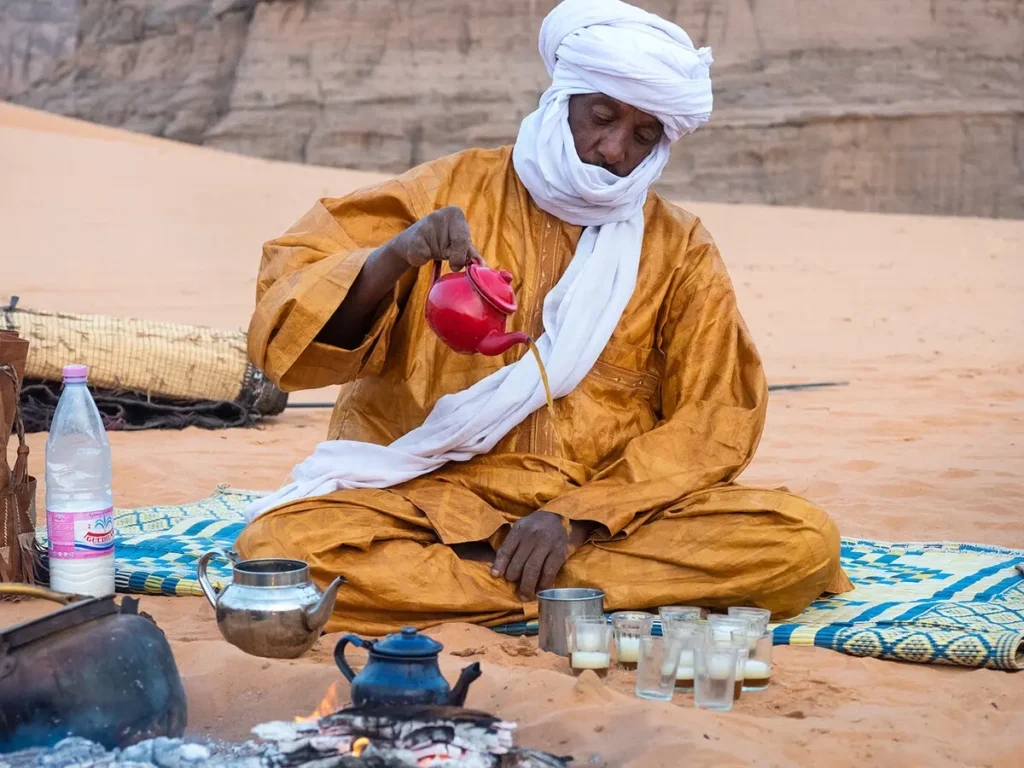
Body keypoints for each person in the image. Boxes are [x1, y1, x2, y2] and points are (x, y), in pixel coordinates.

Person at [238, 0, 852, 635]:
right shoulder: (447, 191)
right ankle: (557, 596)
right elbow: (291, 320)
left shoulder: (680, 248)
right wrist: (397, 255)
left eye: (644, 136)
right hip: (423, 497)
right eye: (603, 118)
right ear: (563, 102)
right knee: (282, 547)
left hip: (599, 517)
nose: (614, 150)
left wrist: (578, 516)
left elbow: (716, 417)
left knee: (800, 540)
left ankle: (481, 583)